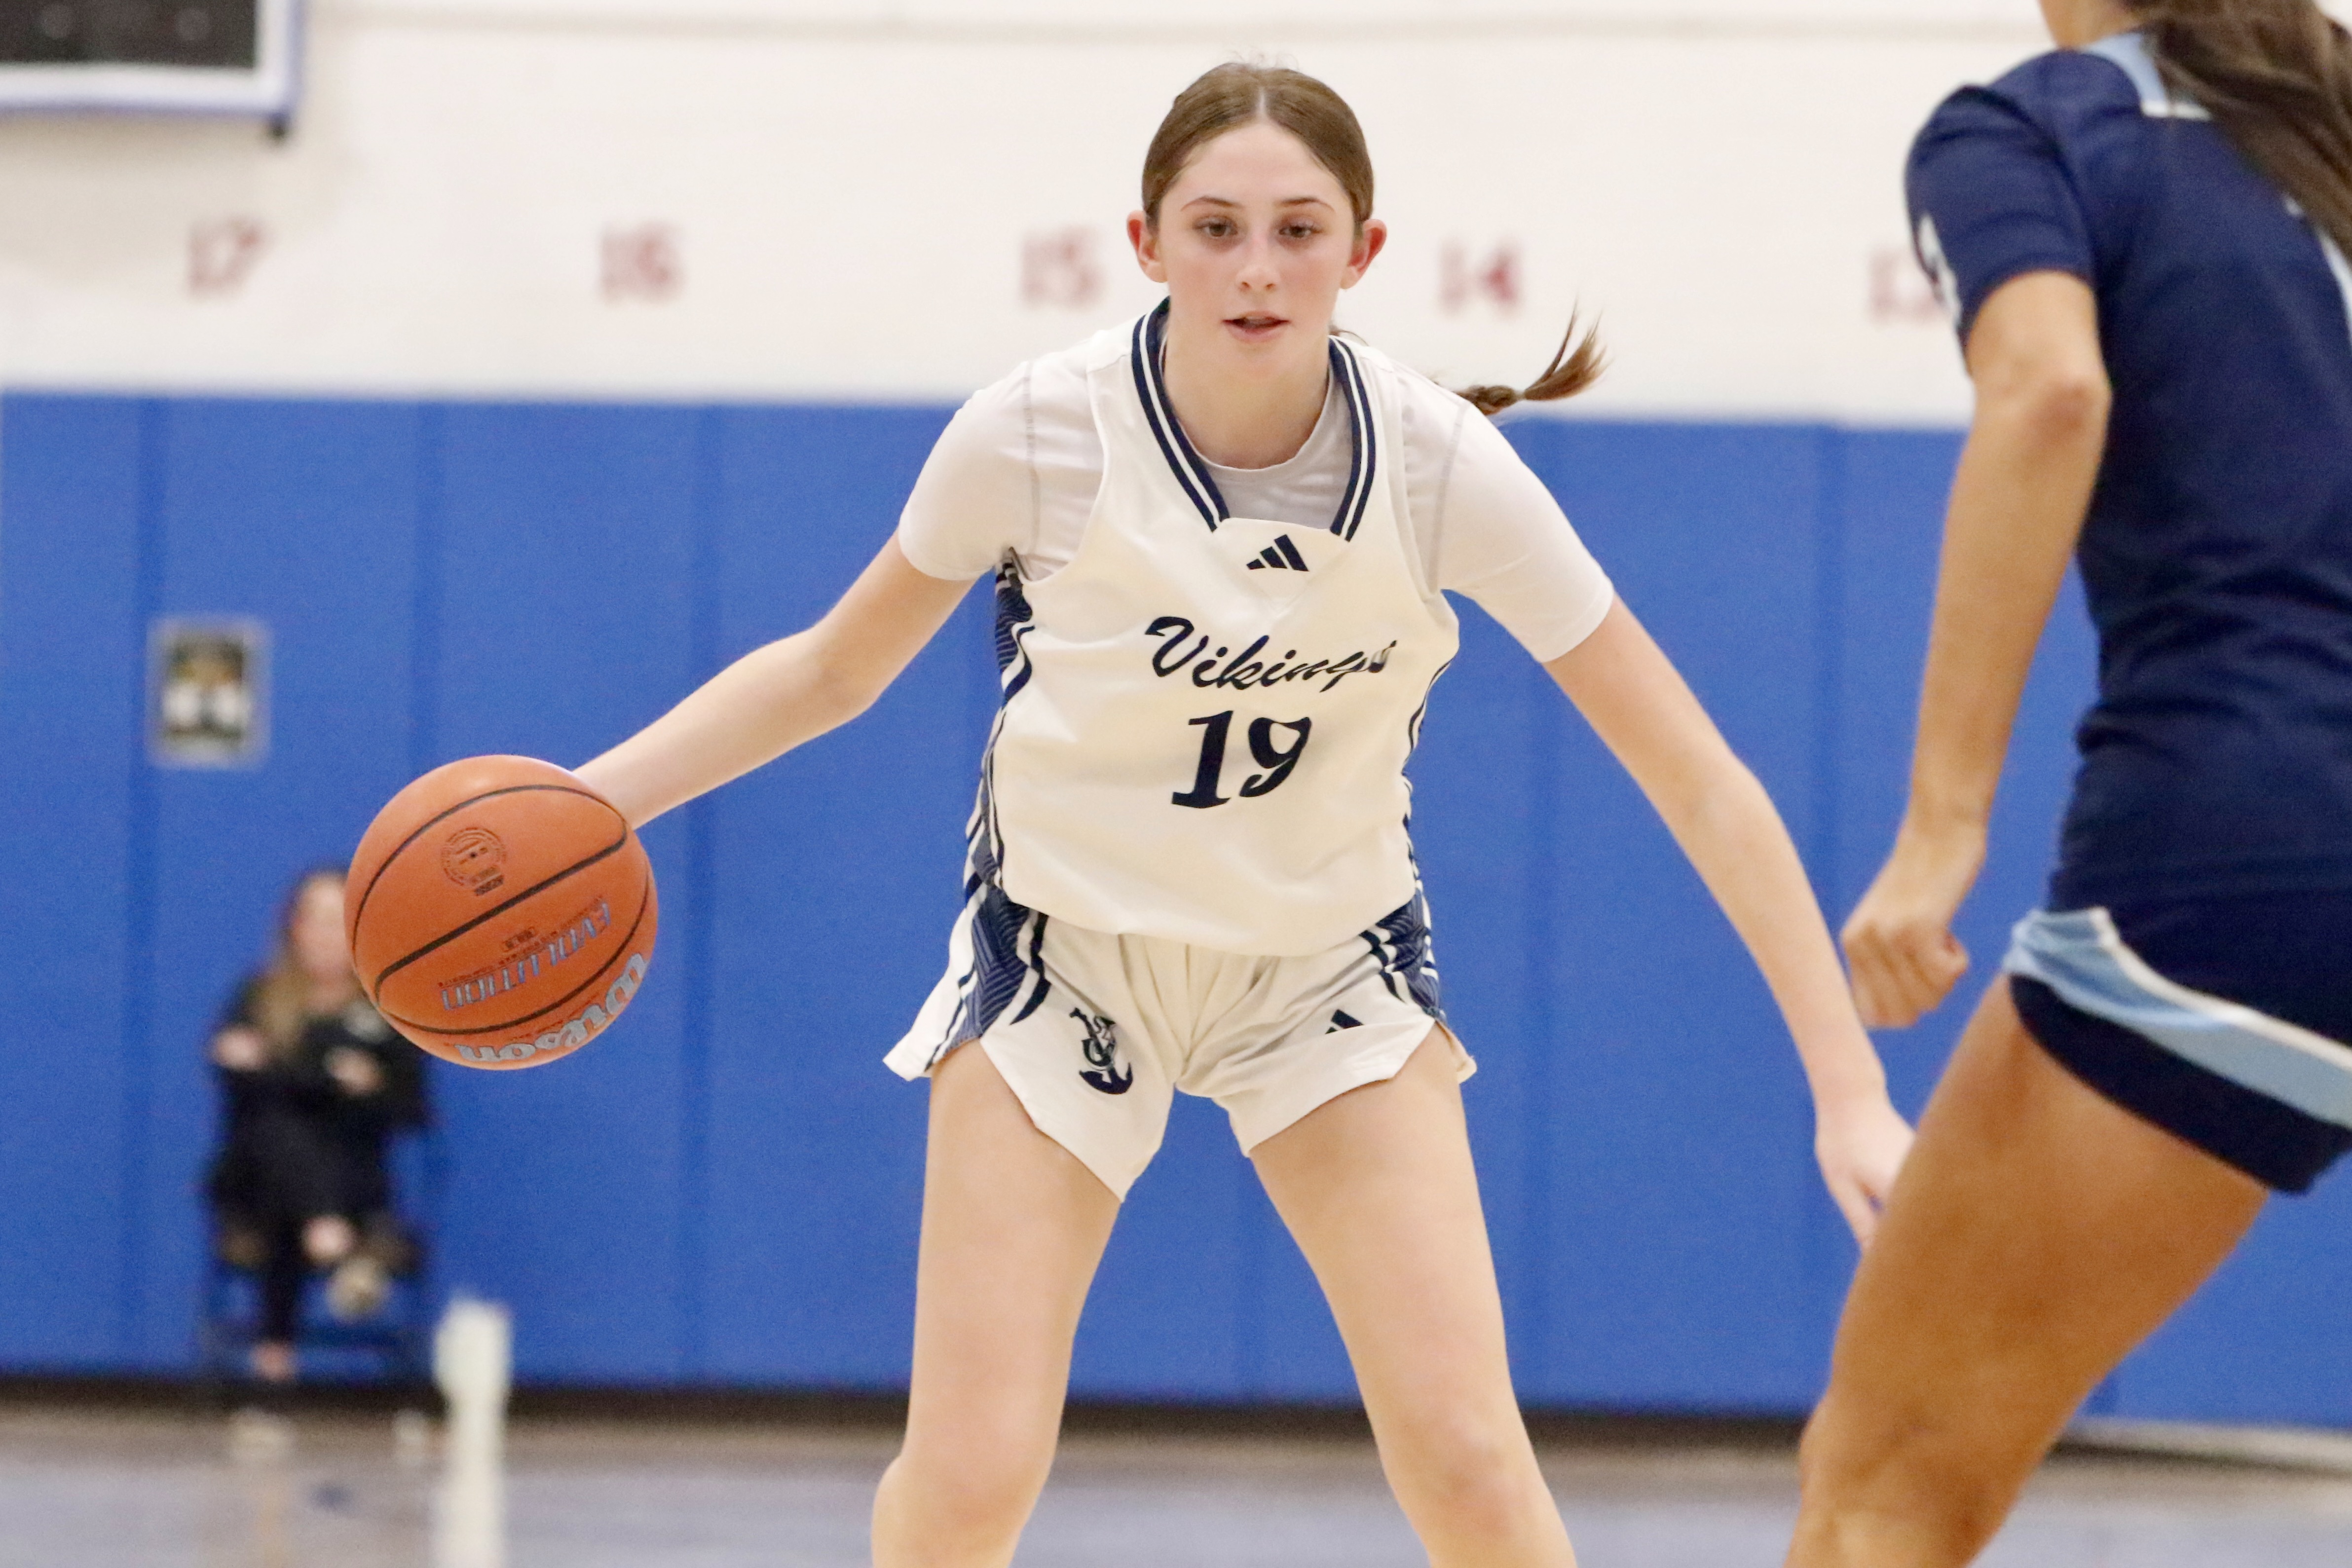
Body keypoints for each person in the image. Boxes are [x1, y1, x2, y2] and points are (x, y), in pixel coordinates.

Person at [578, 62, 1911, 1568]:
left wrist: (1845, 1084)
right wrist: (584, 806)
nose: (1257, 267)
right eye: (1215, 227)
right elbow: (828, 673)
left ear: (1364, 252)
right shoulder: (1035, 434)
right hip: (1061, 962)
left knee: (1472, 1465)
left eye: (1296, 227)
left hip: (1321, 973)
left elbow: (1696, 775)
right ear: (1144, 243)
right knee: (964, 1477)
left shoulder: (1439, 468)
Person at [1791, 2, 2352, 1563]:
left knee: (1878, 1490)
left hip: (2242, 855)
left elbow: (2048, 393)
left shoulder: (2033, 130)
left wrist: (1939, 826)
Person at [209, 865, 430, 1383]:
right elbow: (235, 1081)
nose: (329, 936)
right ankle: (330, 1238)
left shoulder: (389, 1009)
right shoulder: (260, 997)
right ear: (295, 928)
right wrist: (327, 1080)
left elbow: (412, 1107)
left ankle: (274, 1354)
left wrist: (369, 1087)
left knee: (294, 1160)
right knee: (276, 1133)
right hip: (256, 1178)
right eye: (319, 920)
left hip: (354, 1178)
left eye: (342, 921)